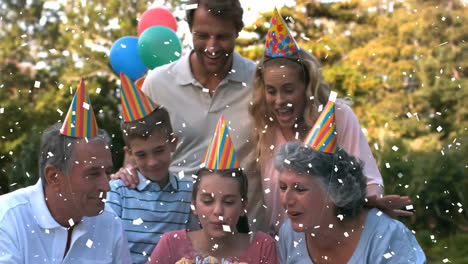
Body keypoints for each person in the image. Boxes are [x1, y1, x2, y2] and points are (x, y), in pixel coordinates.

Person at [249, 9, 411, 234]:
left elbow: (369, 181)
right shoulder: (261, 124)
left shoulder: (338, 116)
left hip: (334, 237)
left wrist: (373, 203)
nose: (279, 101)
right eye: (271, 91)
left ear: (307, 87)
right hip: (280, 246)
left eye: (288, 90)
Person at [114, 0, 266, 232]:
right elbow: (136, 151)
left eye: (222, 36)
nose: (212, 46)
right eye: (202, 35)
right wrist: (127, 172)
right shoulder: (158, 83)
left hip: (243, 235)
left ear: (238, 30)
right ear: (190, 30)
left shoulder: (260, 83)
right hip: (171, 233)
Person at [0, 123, 132, 263]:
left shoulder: (110, 223)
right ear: (54, 177)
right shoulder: (8, 218)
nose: (106, 186)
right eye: (93, 174)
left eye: (107, 172)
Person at [274, 142, 426, 263]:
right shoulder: (289, 235)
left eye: (300, 189)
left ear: (336, 191)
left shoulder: (385, 235)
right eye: (282, 187)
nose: (286, 200)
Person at [106, 106, 193, 264]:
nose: (152, 162)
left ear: (173, 143)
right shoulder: (118, 191)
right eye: (141, 154)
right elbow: (105, 247)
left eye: (159, 150)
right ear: (130, 153)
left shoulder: (188, 191)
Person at [148, 168, 278, 264]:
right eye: (207, 201)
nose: (218, 211)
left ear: (243, 206)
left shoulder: (262, 246)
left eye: (228, 202)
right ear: (193, 205)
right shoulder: (172, 243)